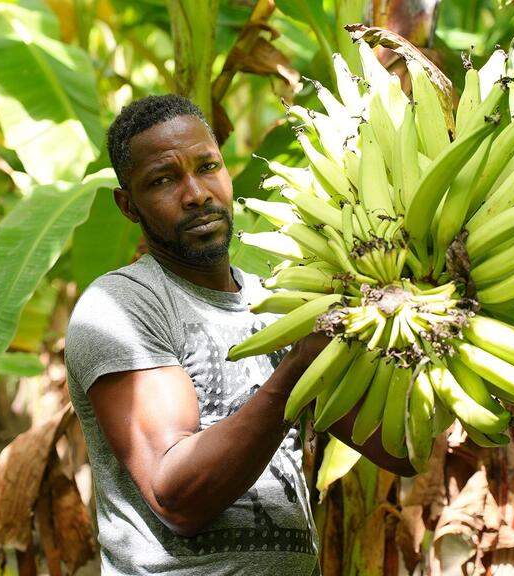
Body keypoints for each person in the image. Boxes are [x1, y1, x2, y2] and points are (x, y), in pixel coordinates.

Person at [65, 94, 413, 575]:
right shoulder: (121, 308)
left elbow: (399, 450)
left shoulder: (282, 303)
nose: (196, 193)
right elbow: (177, 496)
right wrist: (294, 369)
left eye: (208, 167)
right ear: (128, 206)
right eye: (164, 180)